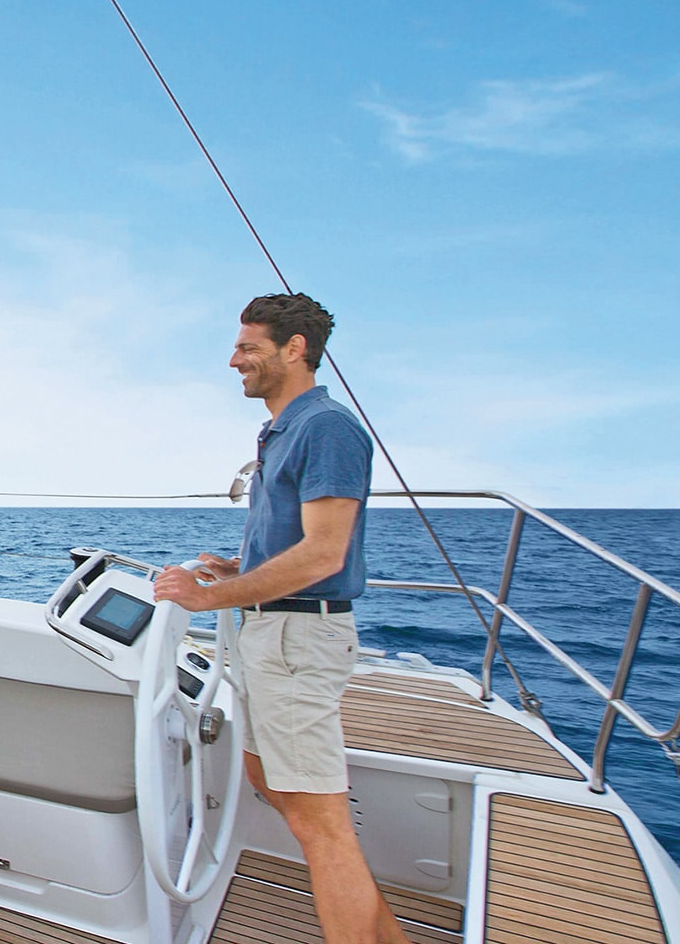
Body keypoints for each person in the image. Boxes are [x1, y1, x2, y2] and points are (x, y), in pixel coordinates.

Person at [152, 293, 405, 944]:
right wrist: (242, 570)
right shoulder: (284, 431)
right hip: (272, 632)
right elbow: (299, 542)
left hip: (298, 637)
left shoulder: (326, 428)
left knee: (322, 826)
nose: (233, 360)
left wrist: (208, 598)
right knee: (270, 780)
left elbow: (325, 553)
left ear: (295, 349)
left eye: (248, 347)